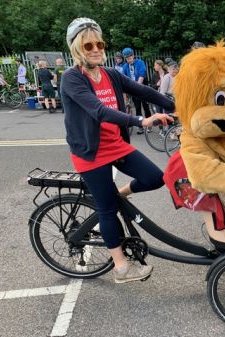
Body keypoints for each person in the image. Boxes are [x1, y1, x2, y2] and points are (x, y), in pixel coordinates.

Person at [61, 17, 175, 283]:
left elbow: (145, 92)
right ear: (77, 49)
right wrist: (140, 120)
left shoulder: (111, 74)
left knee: (155, 178)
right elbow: (99, 111)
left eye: (98, 43)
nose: (95, 49)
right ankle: (121, 268)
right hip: (91, 153)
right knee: (107, 210)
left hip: (116, 145)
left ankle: (122, 193)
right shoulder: (71, 79)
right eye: (88, 45)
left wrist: (175, 105)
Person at [122, 47, 152, 133]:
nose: (129, 60)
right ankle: (140, 126)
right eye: (127, 58)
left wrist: (138, 87)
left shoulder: (140, 62)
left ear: (133, 55)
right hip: (133, 89)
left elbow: (142, 74)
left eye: (130, 58)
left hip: (142, 86)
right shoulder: (125, 67)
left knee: (146, 107)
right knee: (137, 108)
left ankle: (149, 125)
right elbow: (124, 78)